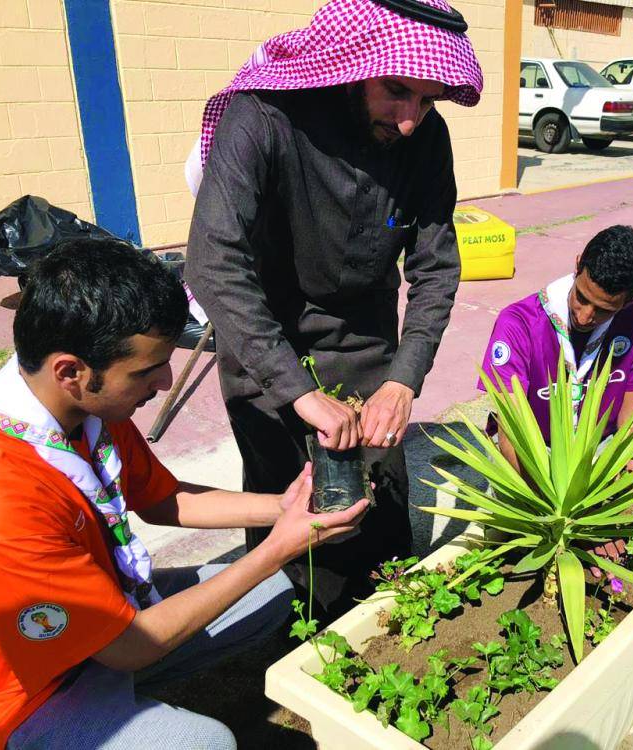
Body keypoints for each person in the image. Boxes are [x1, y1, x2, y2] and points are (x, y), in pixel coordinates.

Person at [0, 239, 369, 750]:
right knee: (206, 743)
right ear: (71, 371)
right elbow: (129, 646)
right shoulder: (7, 496)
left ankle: (126, 703)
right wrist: (276, 545)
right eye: (147, 370)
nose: (166, 381)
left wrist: (282, 508)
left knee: (270, 593)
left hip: (101, 621)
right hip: (25, 691)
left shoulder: (83, 409)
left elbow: (165, 501)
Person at [184, 0, 483, 613]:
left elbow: (435, 267)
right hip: (266, 344)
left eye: (427, 102)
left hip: (367, 344)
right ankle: (294, 638)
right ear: (351, 66)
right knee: (289, 504)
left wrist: (403, 380)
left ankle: (379, 620)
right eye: (396, 92)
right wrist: (297, 389)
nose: (408, 121)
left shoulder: (426, 140)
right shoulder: (264, 116)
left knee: (379, 495)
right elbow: (214, 263)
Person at [478, 225, 633, 470]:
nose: (585, 317)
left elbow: (632, 405)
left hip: (601, 445)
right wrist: (546, 499)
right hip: (535, 449)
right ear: (577, 266)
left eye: (604, 310)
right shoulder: (518, 323)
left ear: (629, 302)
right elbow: (512, 429)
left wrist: (624, 458)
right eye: (582, 298)